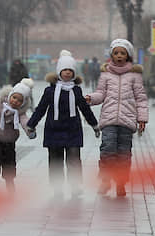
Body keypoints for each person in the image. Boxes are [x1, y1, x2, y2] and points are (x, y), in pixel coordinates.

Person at [26, 50, 100, 199]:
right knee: (55, 161)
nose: (67, 73)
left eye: (70, 70)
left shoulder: (77, 91)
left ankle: (75, 187)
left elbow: (85, 109)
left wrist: (94, 124)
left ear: (73, 73)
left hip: (73, 130)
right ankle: (57, 188)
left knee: (74, 159)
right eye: (64, 70)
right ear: (59, 72)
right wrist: (31, 124)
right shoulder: (50, 91)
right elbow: (40, 109)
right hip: (54, 130)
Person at [85, 38, 149, 197]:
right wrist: (91, 99)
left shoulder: (134, 76)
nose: (119, 55)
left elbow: (140, 98)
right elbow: (101, 93)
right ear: (111, 55)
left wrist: (142, 118)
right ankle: (106, 180)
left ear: (128, 56)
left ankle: (121, 183)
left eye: (122, 53)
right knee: (107, 150)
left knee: (124, 153)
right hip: (109, 119)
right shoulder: (106, 75)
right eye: (116, 53)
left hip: (127, 121)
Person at [0, 78, 35, 191]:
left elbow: (25, 121)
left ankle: (9, 181)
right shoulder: (1, 100)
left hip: (9, 137)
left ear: (23, 103)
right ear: (10, 95)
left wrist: (30, 130)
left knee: (9, 159)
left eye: (19, 100)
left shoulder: (20, 112)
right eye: (14, 97)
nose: (15, 101)